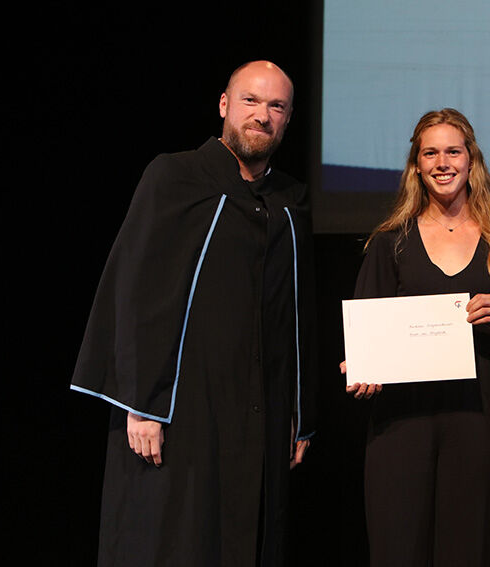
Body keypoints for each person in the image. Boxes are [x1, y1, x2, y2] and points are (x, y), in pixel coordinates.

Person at [70, 60, 317, 567]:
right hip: (178, 409)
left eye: (276, 106)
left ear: (288, 119)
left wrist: (300, 412)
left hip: (256, 410)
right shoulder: (176, 176)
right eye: (250, 101)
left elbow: (295, 314)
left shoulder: (290, 200)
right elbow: (135, 290)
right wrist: (141, 402)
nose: (262, 116)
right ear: (225, 105)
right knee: (172, 536)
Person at [343, 108, 490, 567]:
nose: (442, 162)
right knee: (397, 549)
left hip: (476, 420)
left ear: (471, 160)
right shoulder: (389, 242)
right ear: (416, 164)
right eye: (429, 152)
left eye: (453, 151)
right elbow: (367, 336)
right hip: (400, 423)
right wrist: (362, 365)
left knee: (468, 550)